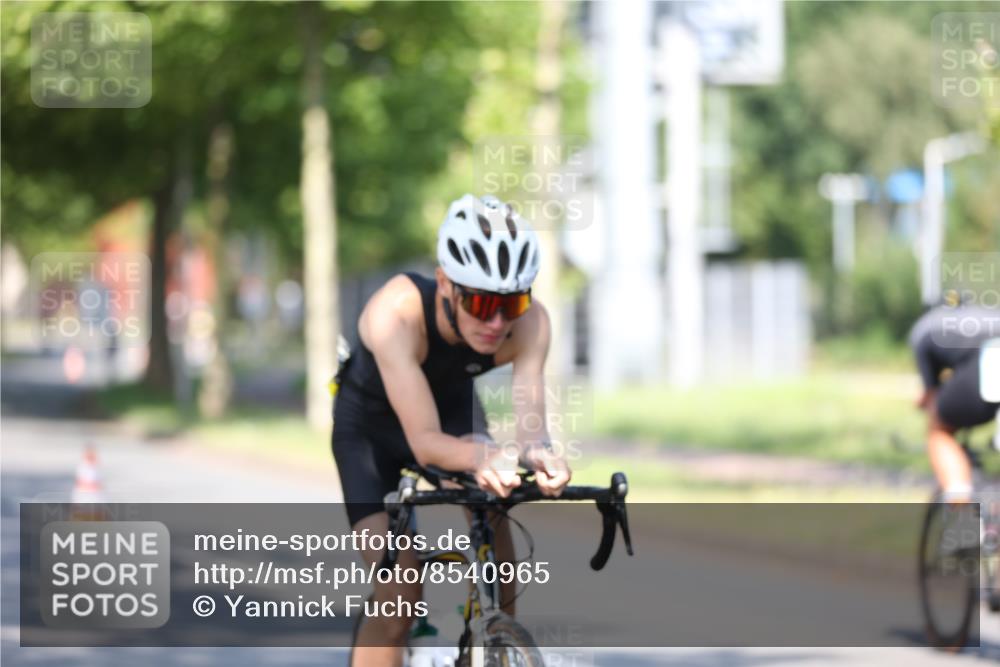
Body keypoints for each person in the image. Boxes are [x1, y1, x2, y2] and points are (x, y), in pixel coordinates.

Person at [331, 194, 571, 667]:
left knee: (496, 501)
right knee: (399, 594)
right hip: (370, 432)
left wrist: (540, 456)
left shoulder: (531, 324)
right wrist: (486, 457)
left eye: (511, 303)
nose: (497, 322)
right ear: (446, 283)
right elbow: (425, 443)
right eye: (481, 303)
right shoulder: (394, 314)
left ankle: (494, 637)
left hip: (451, 412)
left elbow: (528, 432)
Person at [909, 298, 1000, 502]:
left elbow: (930, 395)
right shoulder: (988, 314)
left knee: (939, 430)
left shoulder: (925, 328)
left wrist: (923, 402)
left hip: (989, 365)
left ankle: (961, 506)